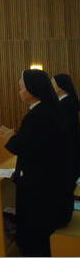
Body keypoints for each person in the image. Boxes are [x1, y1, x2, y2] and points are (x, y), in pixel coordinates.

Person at [5, 69, 71, 256]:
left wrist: (9, 139)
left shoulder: (38, 116)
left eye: (21, 88)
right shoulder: (51, 110)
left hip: (40, 191)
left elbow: (24, 146)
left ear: (32, 90)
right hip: (52, 187)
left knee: (34, 238)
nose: (19, 92)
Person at [52, 74, 80, 225]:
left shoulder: (65, 104)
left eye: (53, 83)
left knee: (65, 188)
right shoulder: (68, 102)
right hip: (71, 151)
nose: (51, 86)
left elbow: (64, 132)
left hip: (67, 153)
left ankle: (63, 220)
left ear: (61, 86)